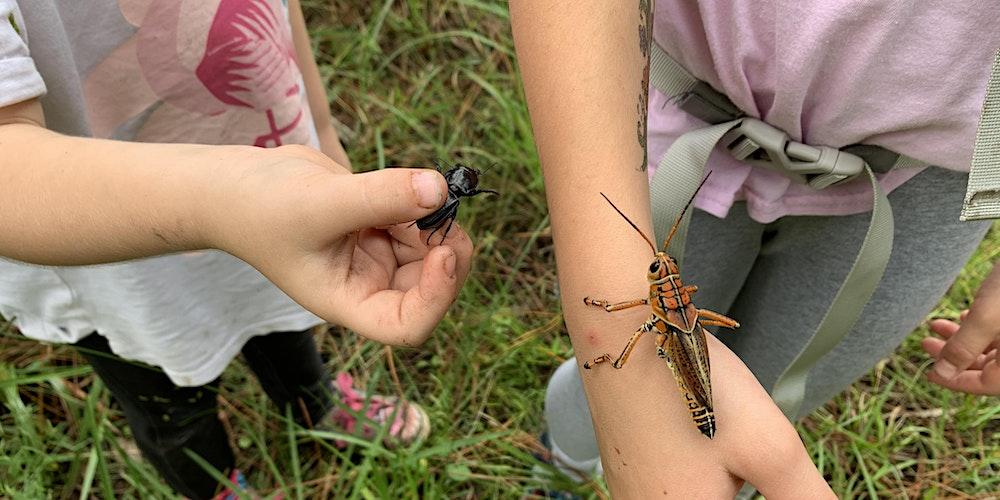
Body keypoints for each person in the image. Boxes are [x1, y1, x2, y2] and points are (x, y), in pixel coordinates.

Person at [510, 0, 998, 497]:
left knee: (769, 397)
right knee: (622, 392)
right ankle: (563, 471)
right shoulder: (668, 295)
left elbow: (642, 320)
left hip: (930, 175)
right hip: (685, 110)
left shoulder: (660, 300)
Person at [0, 0, 473, 497]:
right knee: (170, 405)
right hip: (109, 269)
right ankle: (213, 486)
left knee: (286, 331)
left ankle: (317, 403)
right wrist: (227, 206)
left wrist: (322, 131)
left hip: (282, 190)